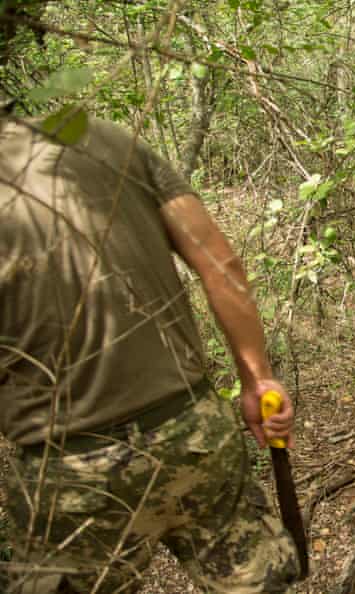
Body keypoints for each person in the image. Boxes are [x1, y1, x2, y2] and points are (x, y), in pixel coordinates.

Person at [0, 112, 303, 593]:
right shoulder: (99, 136)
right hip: (195, 434)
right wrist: (257, 379)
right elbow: (220, 262)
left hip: (68, 469)